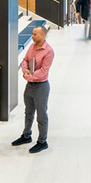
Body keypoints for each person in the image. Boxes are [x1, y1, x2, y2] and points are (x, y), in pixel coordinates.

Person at [12, 26, 53, 154]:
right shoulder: (31, 47)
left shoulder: (48, 51)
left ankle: (42, 141)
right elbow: (25, 60)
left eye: (35, 34)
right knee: (28, 112)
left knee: (41, 115)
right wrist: (25, 71)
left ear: (42, 35)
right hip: (30, 85)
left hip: (41, 86)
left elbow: (44, 71)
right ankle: (26, 135)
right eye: (32, 34)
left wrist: (30, 76)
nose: (32, 36)